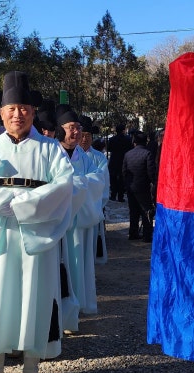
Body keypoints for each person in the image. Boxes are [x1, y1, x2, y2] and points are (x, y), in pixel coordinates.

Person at [0, 70, 74, 373]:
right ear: (1, 113)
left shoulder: (51, 150)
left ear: (32, 111)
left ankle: (31, 369)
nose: (17, 114)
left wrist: (25, 205)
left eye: (23, 108)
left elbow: (64, 187)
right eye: (11, 109)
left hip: (35, 237)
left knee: (34, 301)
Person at [56, 106, 104, 320]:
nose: (75, 133)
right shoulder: (52, 152)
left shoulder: (82, 157)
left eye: (78, 128)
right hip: (59, 222)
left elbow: (98, 179)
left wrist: (78, 185)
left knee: (79, 268)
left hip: (79, 223)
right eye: (70, 128)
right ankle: (61, 314)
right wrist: (76, 186)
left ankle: (75, 311)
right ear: (60, 130)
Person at [79, 116, 110, 265]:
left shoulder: (99, 158)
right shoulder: (69, 154)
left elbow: (104, 185)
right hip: (74, 211)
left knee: (90, 247)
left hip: (93, 209)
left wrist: (95, 205)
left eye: (88, 136)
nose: (84, 139)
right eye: (82, 135)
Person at [122, 131, 156, 243]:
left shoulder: (128, 154)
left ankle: (133, 233)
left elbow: (124, 171)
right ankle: (147, 235)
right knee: (146, 211)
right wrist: (154, 183)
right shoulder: (147, 154)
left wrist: (127, 184)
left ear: (134, 142)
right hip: (143, 187)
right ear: (145, 142)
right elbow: (151, 172)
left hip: (131, 187)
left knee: (133, 211)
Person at [107, 123, 131, 201]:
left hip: (114, 159)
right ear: (123, 130)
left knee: (113, 178)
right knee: (122, 178)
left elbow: (109, 149)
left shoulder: (112, 139)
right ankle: (120, 196)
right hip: (123, 160)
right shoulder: (128, 139)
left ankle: (113, 194)